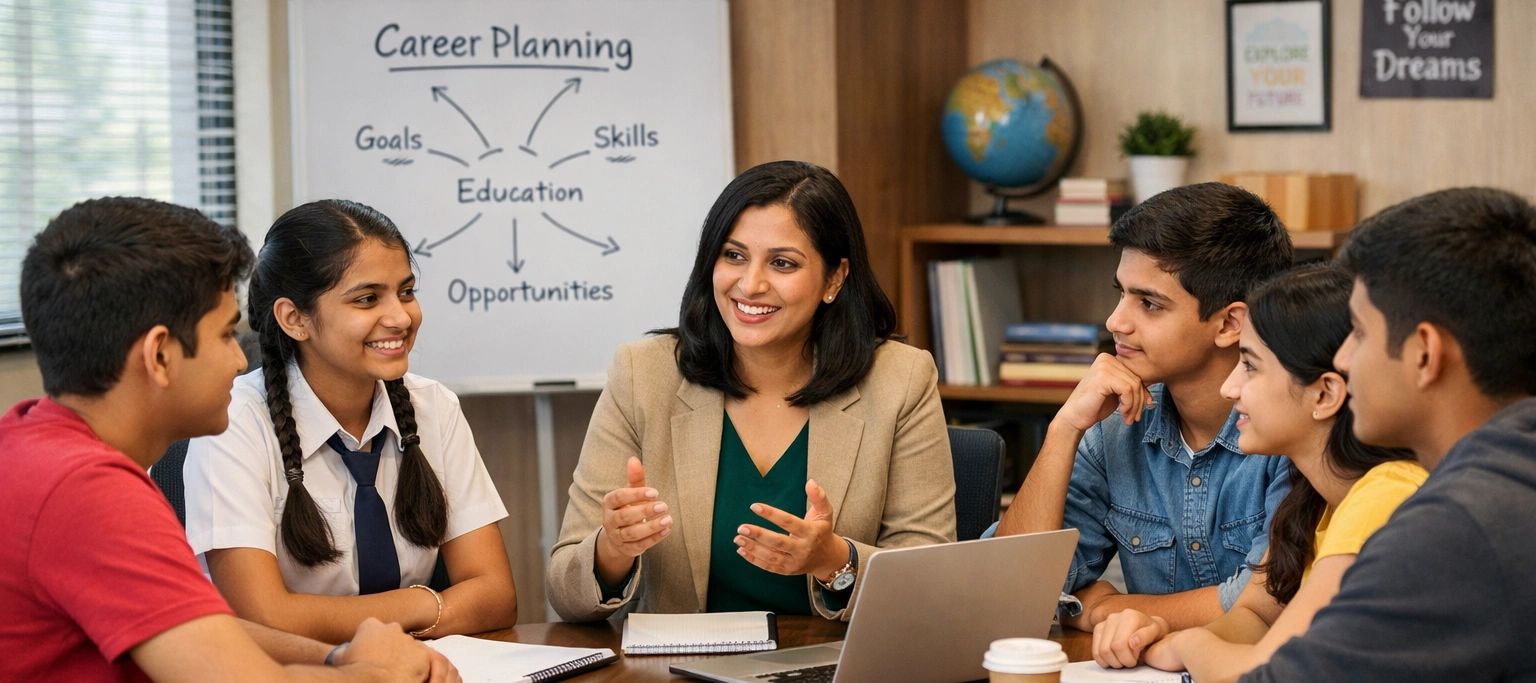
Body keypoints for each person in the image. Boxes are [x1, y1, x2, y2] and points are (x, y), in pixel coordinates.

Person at [0, 196, 451, 681]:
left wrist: (335, 657)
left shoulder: (34, 444)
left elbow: (197, 627)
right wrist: (380, 674)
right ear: (159, 356)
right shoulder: (89, 493)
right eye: (222, 337)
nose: (240, 362)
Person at [546, 160, 956, 622]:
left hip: (837, 668)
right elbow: (565, 592)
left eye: (782, 263)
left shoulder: (900, 380)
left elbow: (929, 585)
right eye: (733, 255)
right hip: (684, 672)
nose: (750, 284)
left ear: (835, 279)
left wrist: (834, 561)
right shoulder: (644, 374)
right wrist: (612, 550)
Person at [184, 200, 517, 643]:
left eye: (406, 291)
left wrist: (340, 621)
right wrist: (430, 604)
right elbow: (263, 618)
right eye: (367, 299)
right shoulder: (237, 422)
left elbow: (496, 596)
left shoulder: (433, 406)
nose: (400, 317)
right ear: (295, 318)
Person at [1242, 188, 1536, 681]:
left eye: (1359, 332)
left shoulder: (1455, 526)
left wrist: (1189, 646)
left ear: (1424, 352)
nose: (1342, 358)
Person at [1090, 264, 1426, 679]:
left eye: (1249, 365)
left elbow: (1265, 671)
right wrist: (1162, 634)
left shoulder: (1383, 495)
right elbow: (1256, 619)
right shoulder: (1317, 499)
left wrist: (1190, 643)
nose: (1230, 389)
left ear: (1325, 393)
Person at [995, 182, 1295, 631]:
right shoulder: (1115, 422)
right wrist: (1064, 429)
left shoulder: (1290, 428)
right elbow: (1009, 591)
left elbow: (1264, 604)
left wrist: (1105, 609)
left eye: (1149, 303)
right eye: (1121, 293)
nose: (1116, 321)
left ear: (1230, 323)